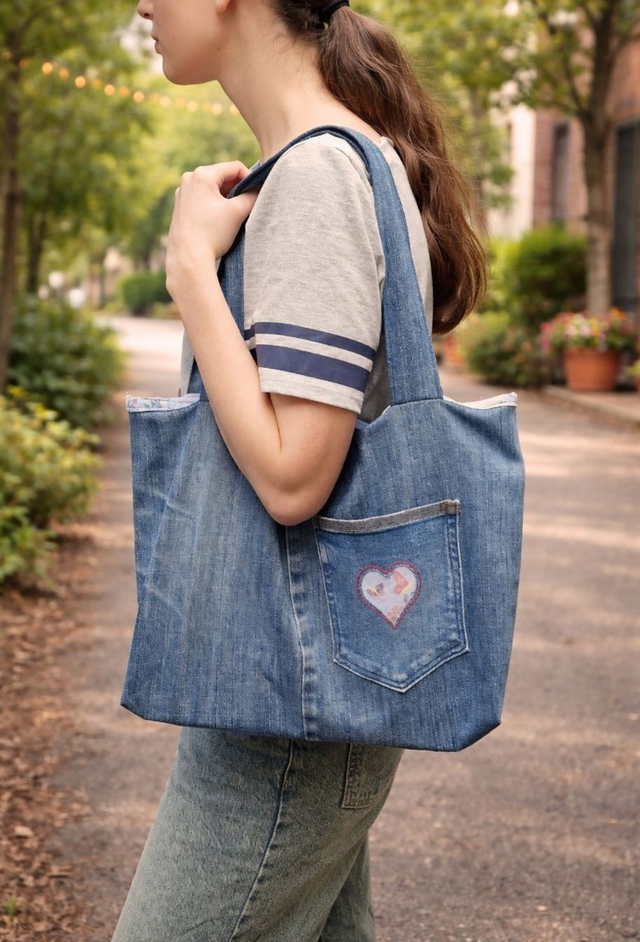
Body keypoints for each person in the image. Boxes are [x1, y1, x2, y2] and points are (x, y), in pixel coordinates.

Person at [112, 0, 487, 939]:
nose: (145, 5)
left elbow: (292, 476)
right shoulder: (334, 158)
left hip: (289, 707)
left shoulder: (319, 173)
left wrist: (192, 271)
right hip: (301, 680)